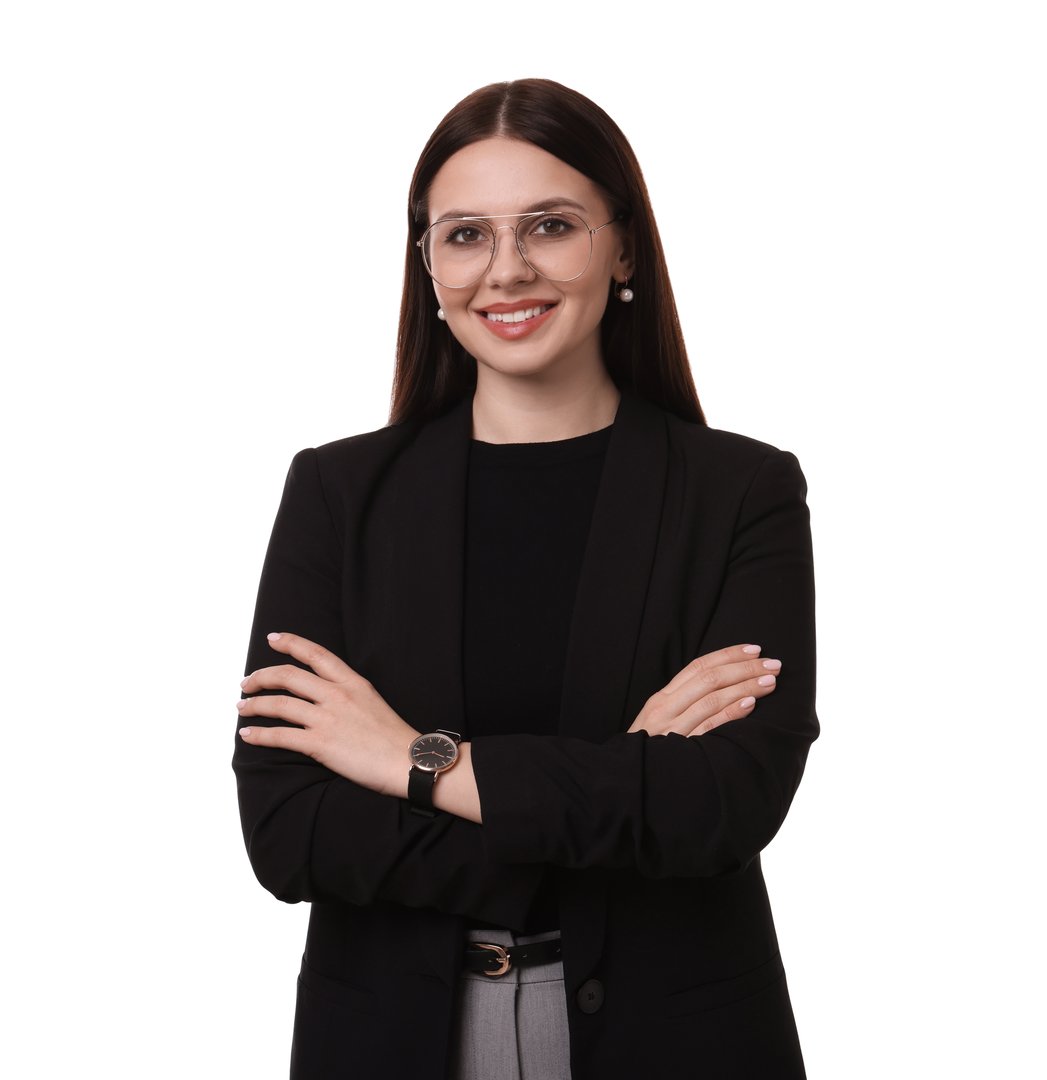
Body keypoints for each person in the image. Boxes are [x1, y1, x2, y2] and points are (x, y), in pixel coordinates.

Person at [233, 78, 817, 1080]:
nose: (505, 271)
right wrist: (616, 784)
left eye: (549, 226)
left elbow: (724, 804)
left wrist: (414, 763)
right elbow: (289, 833)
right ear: (426, 264)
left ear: (623, 247)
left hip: (669, 1041)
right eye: (464, 236)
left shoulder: (741, 492)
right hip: (392, 1038)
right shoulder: (337, 494)